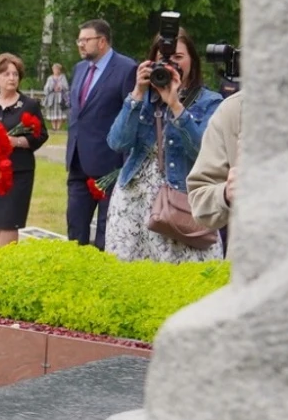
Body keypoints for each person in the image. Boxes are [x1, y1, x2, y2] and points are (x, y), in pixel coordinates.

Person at [102, 27, 225, 263]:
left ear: (192, 60)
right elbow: (117, 143)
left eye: (179, 58)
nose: (172, 65)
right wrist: (137, 92)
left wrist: (176, 106)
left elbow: (203, 152)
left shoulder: (210, 102)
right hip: (134, 202)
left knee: (190, 273)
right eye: (164, 60)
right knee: (130, 273)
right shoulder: (143, 99)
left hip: (182, 200)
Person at [64, 19, 137, 249]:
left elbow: (131, 117)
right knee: (75, 230)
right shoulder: (80, 68)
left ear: (102, 42)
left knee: (107, 235)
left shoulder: (126, 69)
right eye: (79, 40)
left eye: (86, 40)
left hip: (110, 166)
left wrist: (126, 164)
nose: (81, 45)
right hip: (78, 162)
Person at [0, 52, 48, 246]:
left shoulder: (29, 105)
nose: (12, 78)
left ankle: (6, 266)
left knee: (8, 221)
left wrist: (18, 141)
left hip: (16, 173)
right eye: (6, 74)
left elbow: (41, 134)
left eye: (15, 74)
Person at [186, 88, 244, 243]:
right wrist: (226, 193)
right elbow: (118, 142)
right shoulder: (234, 110)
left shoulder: (210, 101)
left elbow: (194, 146)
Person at [42, 61, 68, 129]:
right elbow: (46, 89)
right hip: (52, 99)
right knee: (52, 114)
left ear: (59, 70)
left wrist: (60, 87)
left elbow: (66, 87)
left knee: (60, 114)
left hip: (60, 98)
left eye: (57, 69)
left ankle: (58, 128)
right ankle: (54, 128)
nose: (55, 70)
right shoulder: (50, 78)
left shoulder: (63, 77)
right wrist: (52, 87)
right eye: (54, 69)